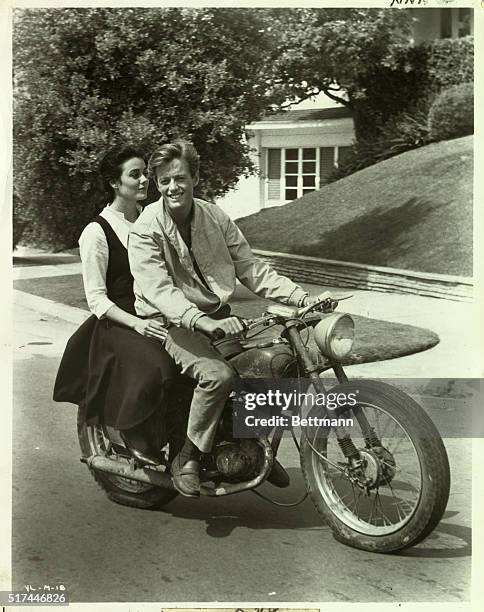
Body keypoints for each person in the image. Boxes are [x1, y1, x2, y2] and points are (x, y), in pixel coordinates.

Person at [128, 140, 327, 496]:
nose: (173, 187)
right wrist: (201, 321)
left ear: (195, 178)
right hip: (170, 324)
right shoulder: (145, 229)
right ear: (156, 185)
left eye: (179, 178)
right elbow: (160, 291)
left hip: (218, 318)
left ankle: (250, 445)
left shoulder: (215, 216)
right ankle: (186, 458)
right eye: (164, 181)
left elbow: (250, 268)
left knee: (273, 364)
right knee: (218, 376)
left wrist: (302, 298)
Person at [53, 144, 175, 466]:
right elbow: (96, 299)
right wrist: (138, 324)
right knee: (157, 366)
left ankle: (240, 444)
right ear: (114, 182)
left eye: (145, 173)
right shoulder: (96, 231)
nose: (144, 180)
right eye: (135, 174)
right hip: (118, 323)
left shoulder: (153, 221)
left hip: (158, 313)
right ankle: (132, 431)